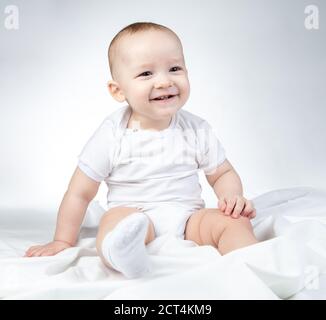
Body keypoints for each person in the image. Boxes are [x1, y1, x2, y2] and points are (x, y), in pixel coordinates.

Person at [24, 22, 258, 279]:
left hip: (190, 219)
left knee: (234, 224)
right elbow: (79, 193)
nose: (164, 81)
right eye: (146, 74)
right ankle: (124, 254)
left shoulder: (196, 129)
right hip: (135, 214)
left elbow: (222, 173)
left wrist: (232, 198)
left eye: (174, 68)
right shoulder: (112, 134)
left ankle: (249, 265)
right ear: (118, 90)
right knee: (115, 225)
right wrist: (62, 241)